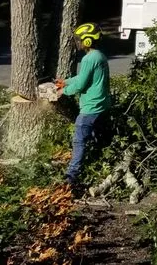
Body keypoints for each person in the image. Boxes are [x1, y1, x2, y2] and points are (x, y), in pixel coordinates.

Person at [56, 22, 111, 192]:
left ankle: (71, 177)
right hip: (102, 105)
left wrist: (62, 92)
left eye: (79, 39)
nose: (77, 42)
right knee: (96, 138)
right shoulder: (99, 56)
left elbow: (80, 85)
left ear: (87, 41)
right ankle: (101, 164)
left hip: (90, 108)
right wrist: (65, 82)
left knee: (79, 141)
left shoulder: (89, 59)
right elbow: (82, 77)